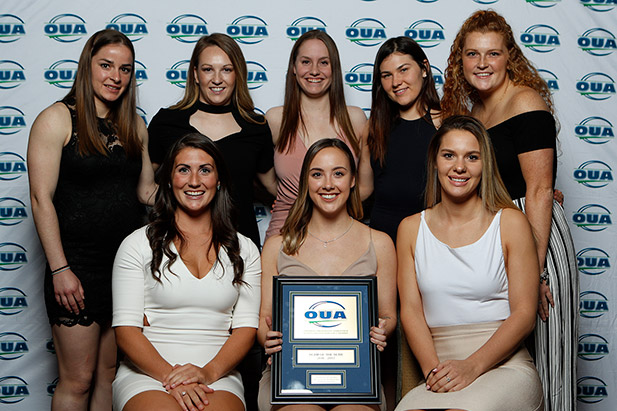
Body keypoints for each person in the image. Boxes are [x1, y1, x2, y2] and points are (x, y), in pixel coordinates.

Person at [441, 10, 577, 411]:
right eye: (472, 54)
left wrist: (533, 271)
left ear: (509, 58)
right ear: (460, 61)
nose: (482, 63)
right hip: (497, 238)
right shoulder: (476, 114)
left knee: (551, 359)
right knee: (509, 361)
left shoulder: (525, 100)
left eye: (493, 54)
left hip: (538, 238)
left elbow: (538, 190)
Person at [27, 29, 156, 411]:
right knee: (78, 379)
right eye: (106, 65)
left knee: (109, 374)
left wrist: (195, 189)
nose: (116, 76)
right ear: (88, 66)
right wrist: (60, 268)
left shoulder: (134, 126)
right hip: (77, 267)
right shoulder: (55, 119)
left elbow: (146, 192)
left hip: (125, 268)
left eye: (125, 69)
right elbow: (40, 199)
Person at [395, 115, 544, 411]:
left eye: (471, 157)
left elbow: (525, 314)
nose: (459, 167)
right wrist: (435, 373)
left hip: (504, 368)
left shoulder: (510, 221)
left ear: (484, 163)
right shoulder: (410, 229)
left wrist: (471, 367)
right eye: (449, 155)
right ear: (434, 160)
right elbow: (410, 311)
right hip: (439, 369)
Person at [112, 133, 261, 411]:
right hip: (148, 374)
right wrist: (174, 378)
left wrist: (206, 373)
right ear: (169, 180)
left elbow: (245, 330)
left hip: (217, 374)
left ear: (219, 181)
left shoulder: (245, 249)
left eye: (205, 170)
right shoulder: (137, 244)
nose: (194, 181)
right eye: (183, 170)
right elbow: (126, 331)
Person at [257, 138, 397, 411]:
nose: (328, 184)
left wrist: (383, 329)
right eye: (317, 174)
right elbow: (263, 319)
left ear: (353, 180)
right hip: (290, 376)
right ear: (305, 182)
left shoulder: (379, 243)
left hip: (357, 376)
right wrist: (268, 338)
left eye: (339, 173)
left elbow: (390, 315)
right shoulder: (277, 245)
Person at [148, 33, 276, 248]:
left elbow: (275, 187)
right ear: (196, 74)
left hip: (239, 247)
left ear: (238, 74)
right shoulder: (167, 122)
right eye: (208, 69)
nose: (217, 79)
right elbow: (141, 184)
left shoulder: (256, 127)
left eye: (226, 69)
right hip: (178, 246)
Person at [265, 30, 368, 240]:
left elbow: (366, 186)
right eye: (305, 62)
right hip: (285, 233)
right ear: (294, 68)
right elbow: (263, 176)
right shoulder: (276, 119)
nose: (314, 70)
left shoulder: (355, 119)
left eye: (323, 62)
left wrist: (331, 202)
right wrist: (296, 199)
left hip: (341, 233)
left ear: (334, 69)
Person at [361, 36, 441, 242]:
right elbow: (363, 189)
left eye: (403, 70)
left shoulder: (445, 123)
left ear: (424, 68)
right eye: (387, 75)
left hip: (431, 239)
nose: (396, 82)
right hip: (383, 242)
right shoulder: (373, 127)